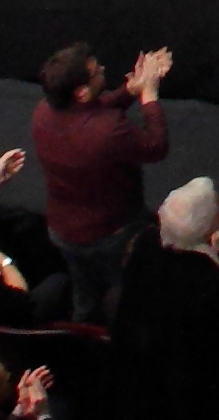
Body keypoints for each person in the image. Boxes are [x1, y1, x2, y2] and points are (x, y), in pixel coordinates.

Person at [26, 40, 173, 326]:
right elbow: (156, 146)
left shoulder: (43, 112)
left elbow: (92, 110)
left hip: (63, 229)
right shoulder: (108, 132)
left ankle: (82, 335)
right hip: (112, 234)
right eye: (96, 71)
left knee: (84, 293)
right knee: (126, 292)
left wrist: (129, 91)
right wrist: (149, 96)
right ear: (81, 92)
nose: (103, 69)